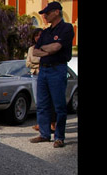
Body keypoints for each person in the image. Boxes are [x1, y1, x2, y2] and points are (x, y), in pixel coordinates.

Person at [29, 2, 74, 148]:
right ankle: (44, 134)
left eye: (47, 13)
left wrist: (47, 49)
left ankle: (59, 137)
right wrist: (48, 49)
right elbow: (35, 52)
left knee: (59, 105)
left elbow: (57, 47)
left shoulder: (66, 28)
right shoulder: (46, 32)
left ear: (56, 12)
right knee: (41, 104)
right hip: (44, 69)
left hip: (57, 69)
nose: (45, 16)